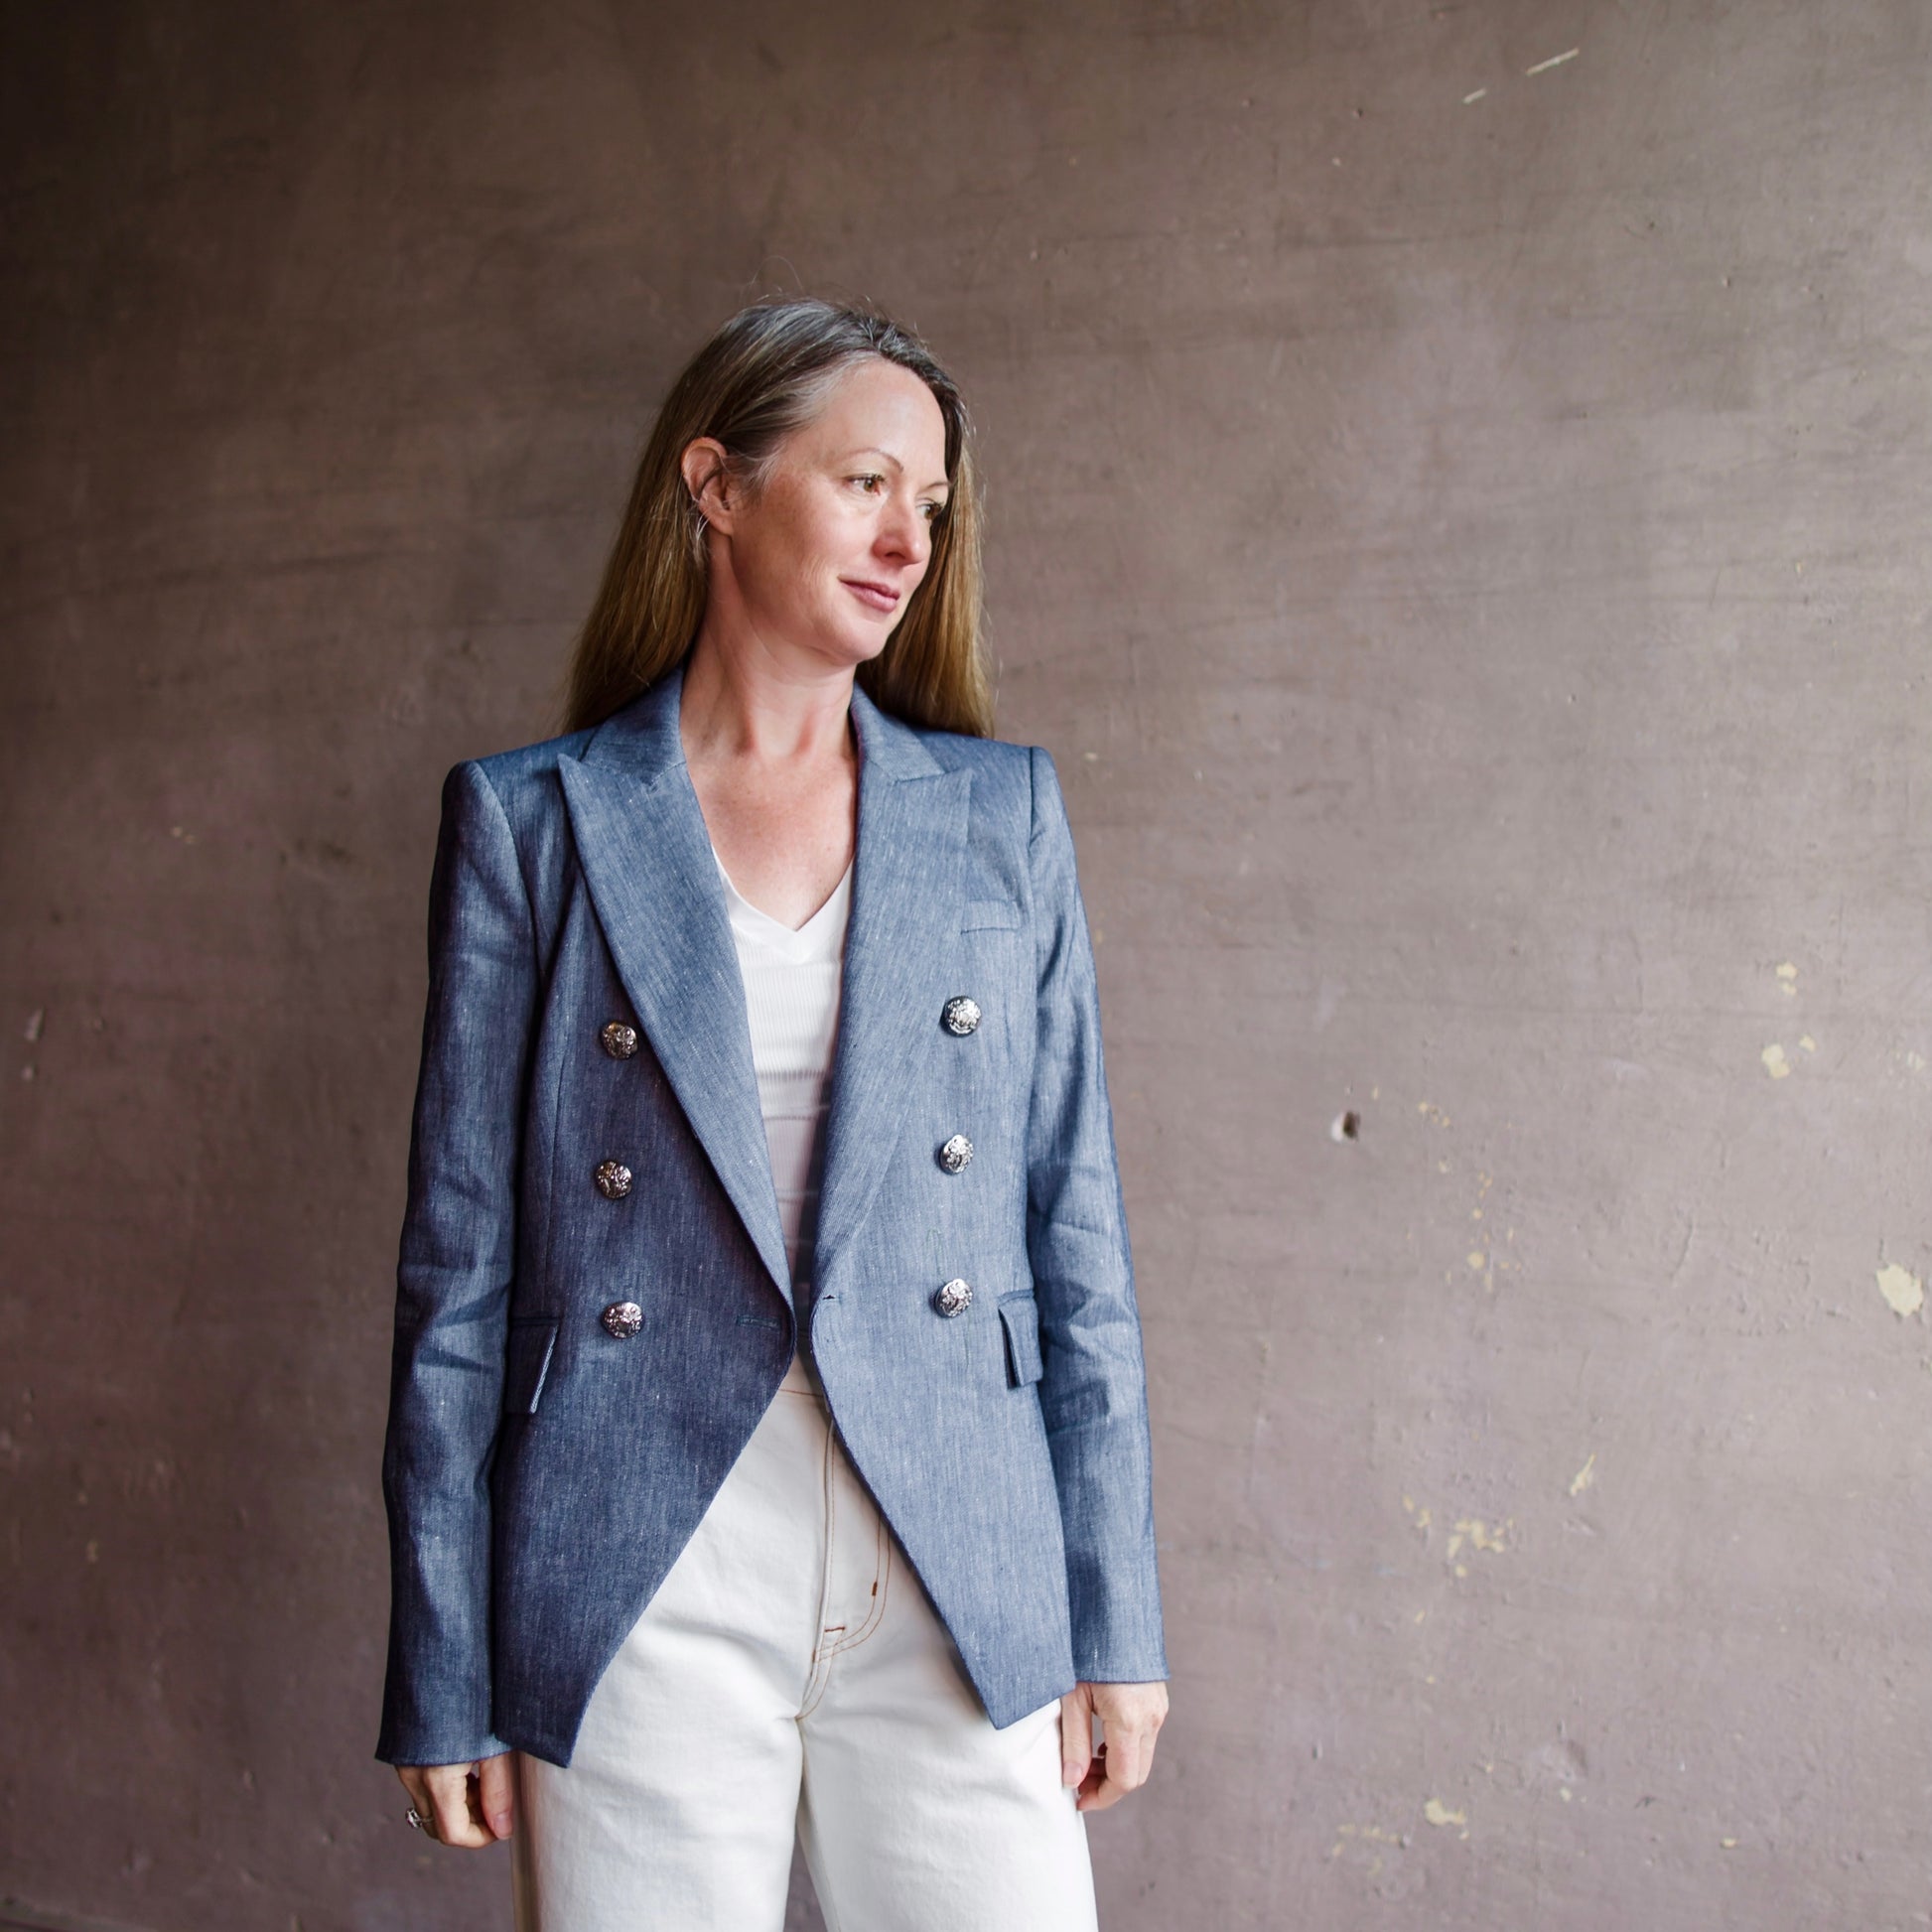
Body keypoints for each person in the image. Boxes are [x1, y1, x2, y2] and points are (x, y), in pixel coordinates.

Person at [374, 296, 1169, 1930]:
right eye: (868, 482)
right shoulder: (537, 822)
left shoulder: (999, 818)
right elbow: (456, 1273)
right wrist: (441, 1662)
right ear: (716, 486)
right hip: (645, 1555)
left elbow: (1070, 1230)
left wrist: (1113, 1617)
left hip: (951, 1551)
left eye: (932, 508)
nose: (909, 539)